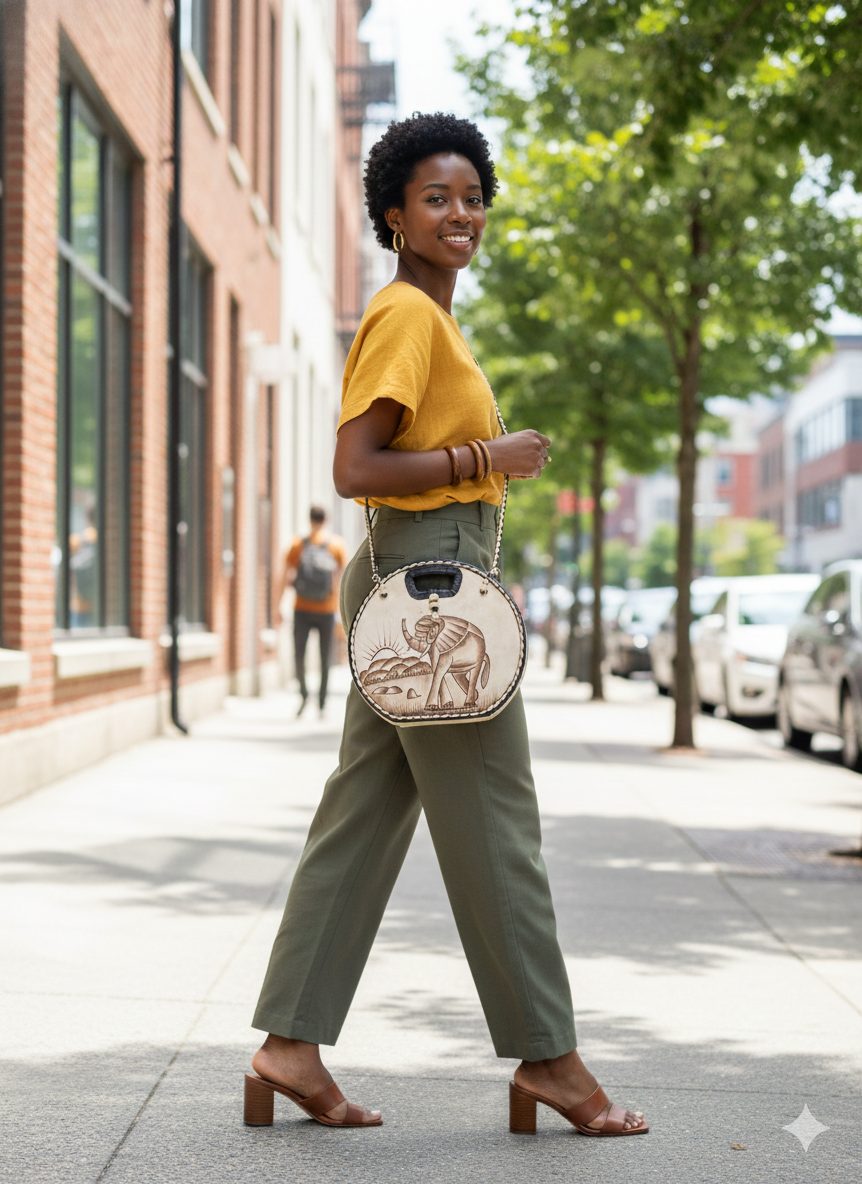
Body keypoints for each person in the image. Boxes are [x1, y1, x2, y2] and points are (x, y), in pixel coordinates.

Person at [245, 113, 648, 1139]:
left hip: (428, 574)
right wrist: (487, 460)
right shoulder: (407, 317)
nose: (460, 211)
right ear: (394, 214)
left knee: (363, 810)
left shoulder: (430, 317)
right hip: (434, 579)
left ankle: (289, 1042)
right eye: (436, 196)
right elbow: (355, 469)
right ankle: (550, 1057)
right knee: (497, 819)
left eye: (471, 195)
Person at [276, 507, 347, 718]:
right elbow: (342, 580)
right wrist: (342, 612)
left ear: (309, 519)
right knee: (326, 658)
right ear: (326, 520)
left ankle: (304, 695)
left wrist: (278, 607)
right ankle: (322, 703)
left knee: (299, 655)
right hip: (327, 610)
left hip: (301, 608)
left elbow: (286, 576)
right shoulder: (337, 545)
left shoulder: (297, 544)